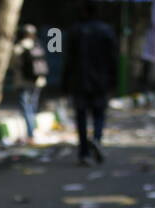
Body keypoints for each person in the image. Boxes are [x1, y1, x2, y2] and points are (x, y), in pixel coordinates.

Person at [62, 2, 117, 166]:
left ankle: (84, 153)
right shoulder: (106, 31)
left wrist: (65, 83)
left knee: (81, 117)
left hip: (79, 81)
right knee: (99, 114)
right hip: (101, 81)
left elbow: (69, 60)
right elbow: (112, 59)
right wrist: (113, 81)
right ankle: (97, 139)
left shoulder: (76, 31)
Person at [11, 23, 48, 142]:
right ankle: (34, 130)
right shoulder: (37, 46)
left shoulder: (19, 47)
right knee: (33, 106)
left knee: (26, 107)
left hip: (23, 82)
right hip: (38, 81)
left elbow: (13, 64)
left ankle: (31, 132)